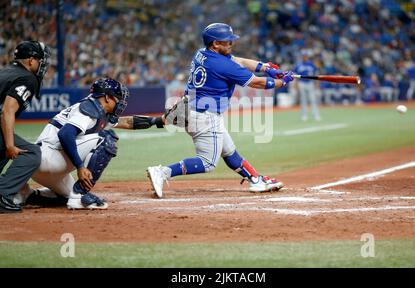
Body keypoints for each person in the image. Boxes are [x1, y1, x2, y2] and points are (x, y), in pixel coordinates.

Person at [146, 22, 295, 198]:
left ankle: (255, 179)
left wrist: (266, 68)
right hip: (204, 116)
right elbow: (258, 83)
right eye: (227, 41)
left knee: (229, 150)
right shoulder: (223, 66)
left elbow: (240, 61)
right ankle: (163, 172)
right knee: (208, 162)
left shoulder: (202, 54)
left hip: (191, 110)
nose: (231, 44)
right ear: (215, 43)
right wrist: (282, 81)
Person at [14, 77, 165, 210]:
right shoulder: (90, 108)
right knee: (107, 139)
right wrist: (80, 166)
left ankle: (27, 194)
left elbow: (126, 122)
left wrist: (157, 121)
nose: (121, 103)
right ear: (107, 97)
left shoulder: (96, 110)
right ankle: (80, 195)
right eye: (118, 99)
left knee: (65, 198)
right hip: (50, 158)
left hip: (41, 166)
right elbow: (65, 133)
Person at [0, 41, 50, 213]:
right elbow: (7, 110)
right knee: (31, 153)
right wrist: (10, 145)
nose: (42, 65)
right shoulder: (27, 78)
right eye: (40, 61)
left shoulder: (7, 71)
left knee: (4, 148)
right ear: (30, 60)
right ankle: (2, 194)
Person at [293, 50, 321, 121]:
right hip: (302, 83)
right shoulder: (298, 65)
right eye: (303, 56)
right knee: (303, 100)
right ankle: (304, 115)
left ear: (307, 57)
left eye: (305, 56)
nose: (304, 57)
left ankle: (316, 115)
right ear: (302, 57)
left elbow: (316, 74)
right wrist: (295, 84)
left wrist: (317, 83)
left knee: (313, 100)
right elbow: (296, 76)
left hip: (310, 83)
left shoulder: (311, 64)